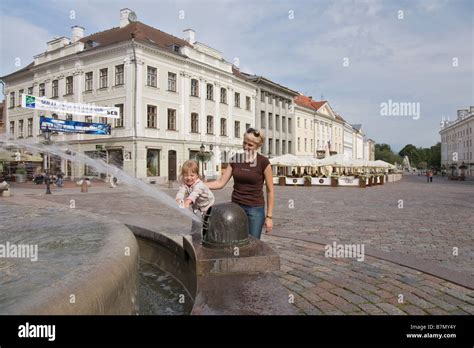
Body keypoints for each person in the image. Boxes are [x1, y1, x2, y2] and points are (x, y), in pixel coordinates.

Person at [205, 128, 274, 240]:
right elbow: (221, 183)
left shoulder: (264, 162)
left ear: (258, 146)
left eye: (250, 145)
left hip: (255, 210)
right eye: (244, 143)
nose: (246, 147)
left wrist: (269, 216)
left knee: (253, 242)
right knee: (235, 240)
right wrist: (201, 184)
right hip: (236, 207)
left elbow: (270, 191)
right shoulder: (235, 160)